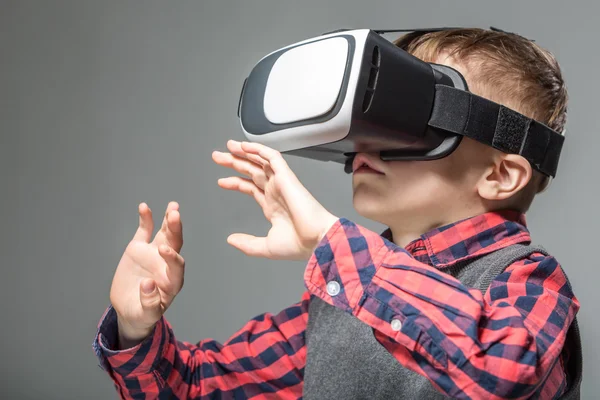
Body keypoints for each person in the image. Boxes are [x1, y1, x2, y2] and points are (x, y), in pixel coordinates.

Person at [93, 28, 579, 399]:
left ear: (499, 175)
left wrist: (332, 241)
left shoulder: (528, 281)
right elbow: (197, 387)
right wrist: (135, 328)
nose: (370, 139)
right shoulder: (335, 303)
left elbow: (507, 367)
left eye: (407, 117)